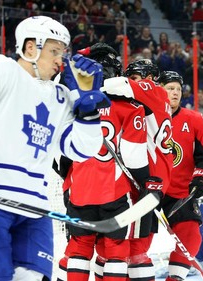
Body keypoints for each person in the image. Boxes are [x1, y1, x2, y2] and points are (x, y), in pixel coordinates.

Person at [0, 16, 111, 281]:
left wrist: (88, 113)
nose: (60, 60)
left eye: (63, 53)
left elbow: (81, 150)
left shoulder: (60, 96)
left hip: (35, 210)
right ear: (30, 48)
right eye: (53, 51)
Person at [56, 43, 162, 281]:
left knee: (80, 249)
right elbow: (133, 156)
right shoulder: (131, 108)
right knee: (116, 250)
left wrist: (67, 179)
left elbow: (61, 152)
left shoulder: (72, 105)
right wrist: (147, 183)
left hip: (79, 190)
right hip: (114, 193)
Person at [101, 59, 173, 280]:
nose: (132, 82)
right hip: (154, 178)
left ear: (149, 78)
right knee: (135, 246)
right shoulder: (157, 99)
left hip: (146, 180)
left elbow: (117, 85)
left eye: (135, 78)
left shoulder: (153, 90)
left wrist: (87, 85)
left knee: (133, 251)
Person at [157, 71, 203, 281]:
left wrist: (201, 178)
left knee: (191, 236)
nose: (175, 93)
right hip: (146, 190)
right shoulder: (144, 116)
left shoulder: (194, 120)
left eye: (178, 90)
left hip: (179, 192)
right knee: (135, 241)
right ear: (158, 89)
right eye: (170, 88)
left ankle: (175, 278)